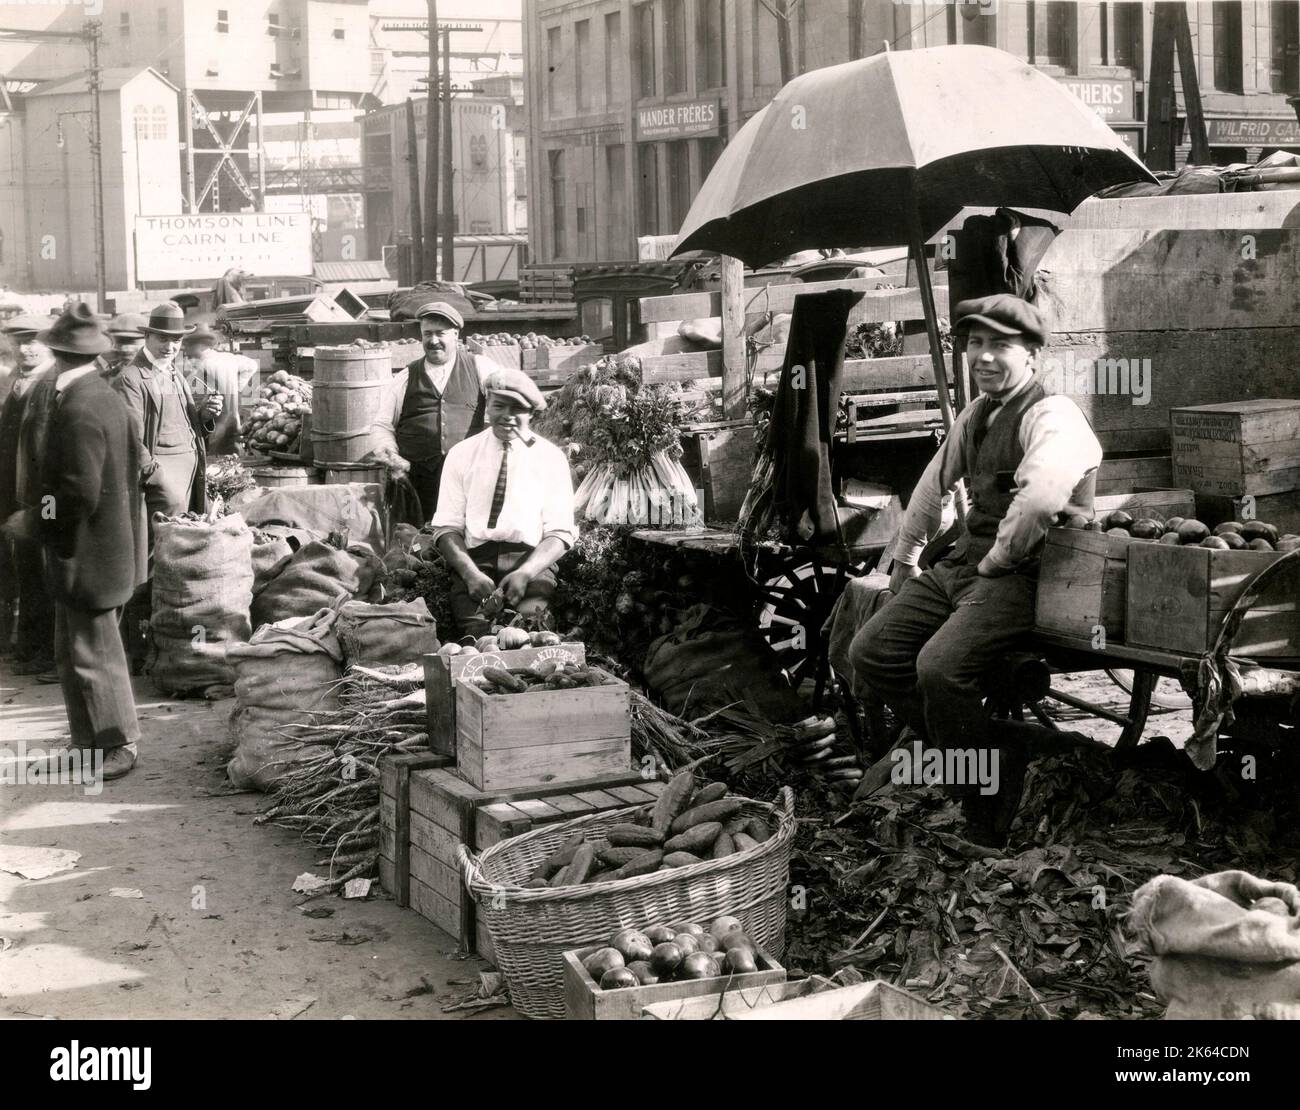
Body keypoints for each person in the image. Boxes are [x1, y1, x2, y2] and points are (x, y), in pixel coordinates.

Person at [849, 295, 1102, 848]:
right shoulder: (979, 414)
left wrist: (995, 560)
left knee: (939, 669)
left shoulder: (1053, 416)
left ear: (1033, 354)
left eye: (1000, 346)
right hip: (965, 566)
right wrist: (904, 560)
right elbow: (930, 487)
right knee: (870, 653)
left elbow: (1038, 503)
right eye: (975, 344)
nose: (983, 357)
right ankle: (976, 747)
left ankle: (985, 806)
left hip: (1029, 575)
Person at [28, 304, 145, 779]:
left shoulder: (78, 406)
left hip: (87, 552)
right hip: (103, 548)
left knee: (94, 653)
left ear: (56, 353)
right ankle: (87, 743)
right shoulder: (104, 395)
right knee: (75, 651)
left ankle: (118, 745)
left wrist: (38, 520)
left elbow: (76, 491)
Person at [430, 368, 575, 638]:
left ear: (531, 412)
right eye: (499, 406)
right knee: (478, 640)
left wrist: (526, 573)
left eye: (517, 409)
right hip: (476, 563)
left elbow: (560, 533)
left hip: (531, 561)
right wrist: (470, 574)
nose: (507, 416)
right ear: (487, 406)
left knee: (532, 635)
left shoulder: (550, 458)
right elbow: (445, 528)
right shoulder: (461, 454)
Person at [371, 301, 493, 520]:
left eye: (440, 333)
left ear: (455, 334)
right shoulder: (406, 377)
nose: (433, 341)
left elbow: (503, 404)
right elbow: (382, 425)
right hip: (417, 482)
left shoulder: (480, 367)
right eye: (427, 334)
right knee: (417, 541)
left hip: (467, 480)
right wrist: (390, 453)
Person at [112, 302, 223, 529]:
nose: (170, 347)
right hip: (164, 483)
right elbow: (129, 440)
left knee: (184, 545)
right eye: (163, 339)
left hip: (190, 476)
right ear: (148, 337)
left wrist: (204, 416)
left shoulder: (173, 372)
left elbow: (181, 423)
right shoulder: (130, 378)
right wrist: (158, 481)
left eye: (176, 340)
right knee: (160, 549)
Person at [0, 315, 56, 673]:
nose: (25, 348)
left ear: (48, 343)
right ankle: (31, 646)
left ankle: (50, 652)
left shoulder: (52, 383)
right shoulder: (12, 380)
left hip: (44, 494)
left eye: (33, 340)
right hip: (13, 490)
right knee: (27, 569)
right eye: (19, 341)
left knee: (49, 571)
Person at [180, 325, 250, 456]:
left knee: (220, 458)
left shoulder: (209, 364)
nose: (185, 349)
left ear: (201, 345)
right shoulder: (227, 357)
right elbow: (252, 365)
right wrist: (239, 387)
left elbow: (225, 401)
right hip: (226, 418)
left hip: (222, 421)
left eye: (189, 344)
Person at [101, 313, 148, 380]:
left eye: (132, 341)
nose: (125, 348)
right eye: (120, 341)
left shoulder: (162, 378)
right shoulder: (103, 380)